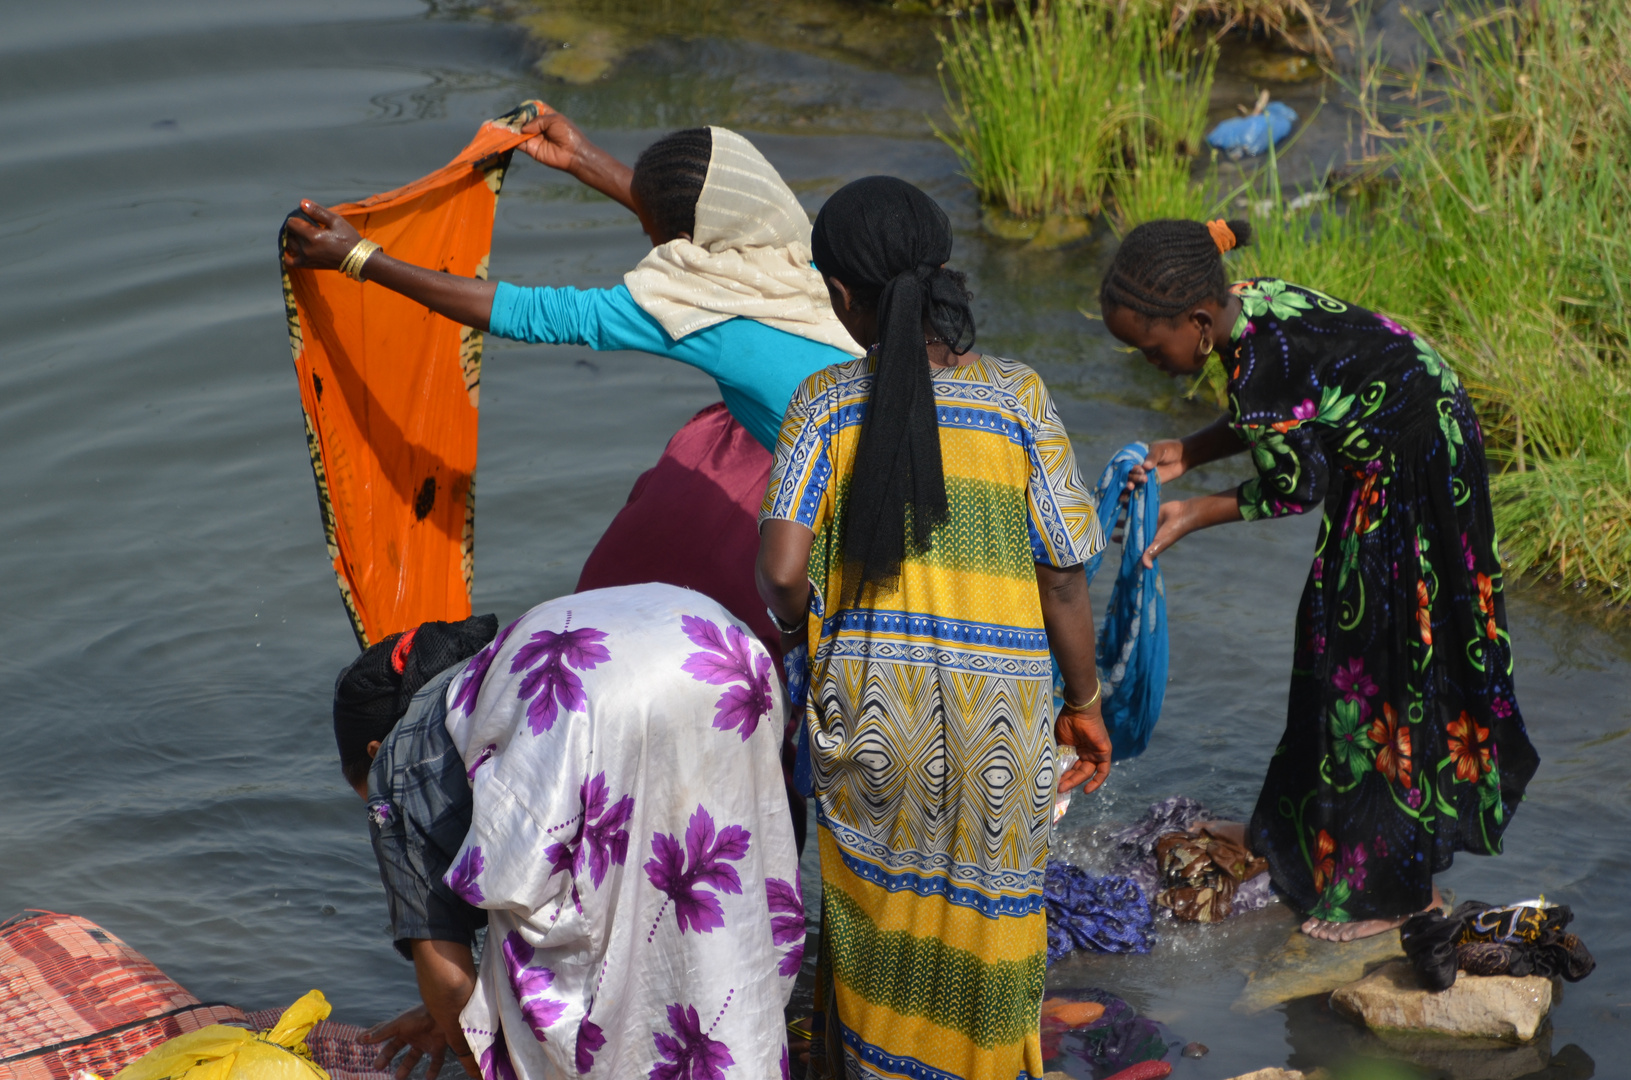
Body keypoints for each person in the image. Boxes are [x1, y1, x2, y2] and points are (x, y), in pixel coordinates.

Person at [281, 110, 861, 666]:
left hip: (860, 520)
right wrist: (582, 159)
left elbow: (534, 312)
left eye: (651, 229)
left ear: (686, 240)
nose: (648, 240)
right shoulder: (799, 256)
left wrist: (360, 257)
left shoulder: (693, 310)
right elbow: (686, 219)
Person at [756, 176, 1112, 1080]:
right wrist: (1086, 701)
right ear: (947, 272)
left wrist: (797, 633)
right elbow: (1063, 570)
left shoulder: (824, 404)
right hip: (1004, 724)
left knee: (876, 935)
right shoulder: (1016, 400)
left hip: (875, 720)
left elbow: (782, 572)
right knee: (989, 933)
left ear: (839, 296)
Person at [1099, 217, 1540, 941]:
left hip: (1410, 477)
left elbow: (1296, 486)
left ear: (1199, 324)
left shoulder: (1252, 366)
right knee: (1330, 644)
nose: (1149, 362)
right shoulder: (1249, 306)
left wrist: (1190, 514)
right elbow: (1288, 403)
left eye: (1150, 349)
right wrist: (1191, 448)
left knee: (1374, 670)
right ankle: (1293, 832)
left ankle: (1399, 891)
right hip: (1407, 446)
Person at [440, 583, 801, 1080]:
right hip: (729, 655)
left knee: (610, 918)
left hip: (601, 697)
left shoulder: (427, 756)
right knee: (730, 917)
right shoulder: (504, 673)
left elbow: (513, 880)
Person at [332, 614, 500, 1078]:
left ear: (373, 752)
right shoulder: (490, 678)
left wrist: (473, 1059)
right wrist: (446, 1014)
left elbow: (447, 979)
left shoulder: (395, 763)